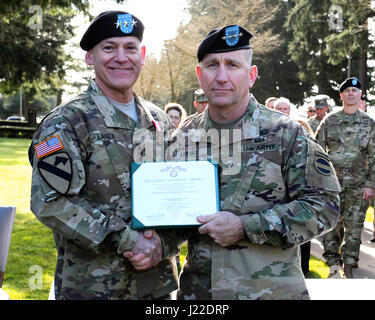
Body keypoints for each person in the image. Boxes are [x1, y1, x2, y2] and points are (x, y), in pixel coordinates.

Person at [169, 24, 340, 299]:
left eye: (233, 65)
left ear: (251, 75)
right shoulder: (183, 137)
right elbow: (169, 216)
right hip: (201, 296)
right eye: (212, 65)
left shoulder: (286, 133)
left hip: (271, 293)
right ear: (200, 76)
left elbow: (325, 206)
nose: (222, 76)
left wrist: (246, 227)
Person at [28, 10, 179, 300]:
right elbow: (51, 202)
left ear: (142, 54)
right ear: (90, 57)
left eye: (130, 48)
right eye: (109, 47)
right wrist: (126, 240)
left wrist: (164, 243)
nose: (121, 57)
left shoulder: (159, 120)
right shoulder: (66, 122)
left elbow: (180, 195)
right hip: (93, 288)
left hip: (156, 289)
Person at [315, 77, 375, 279]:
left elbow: (374, 157)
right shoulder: (329, 121)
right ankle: (333, 265)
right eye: (347, 90)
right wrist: (320, 181)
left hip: (358, 187)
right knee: (331, 227)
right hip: (332, 186)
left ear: (360, 96)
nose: (351, 93)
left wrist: (370, 185)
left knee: (355, 228)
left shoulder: (369, 124)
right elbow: (317, 152)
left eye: (355, 91)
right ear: (341, 95)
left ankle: (349, 267)